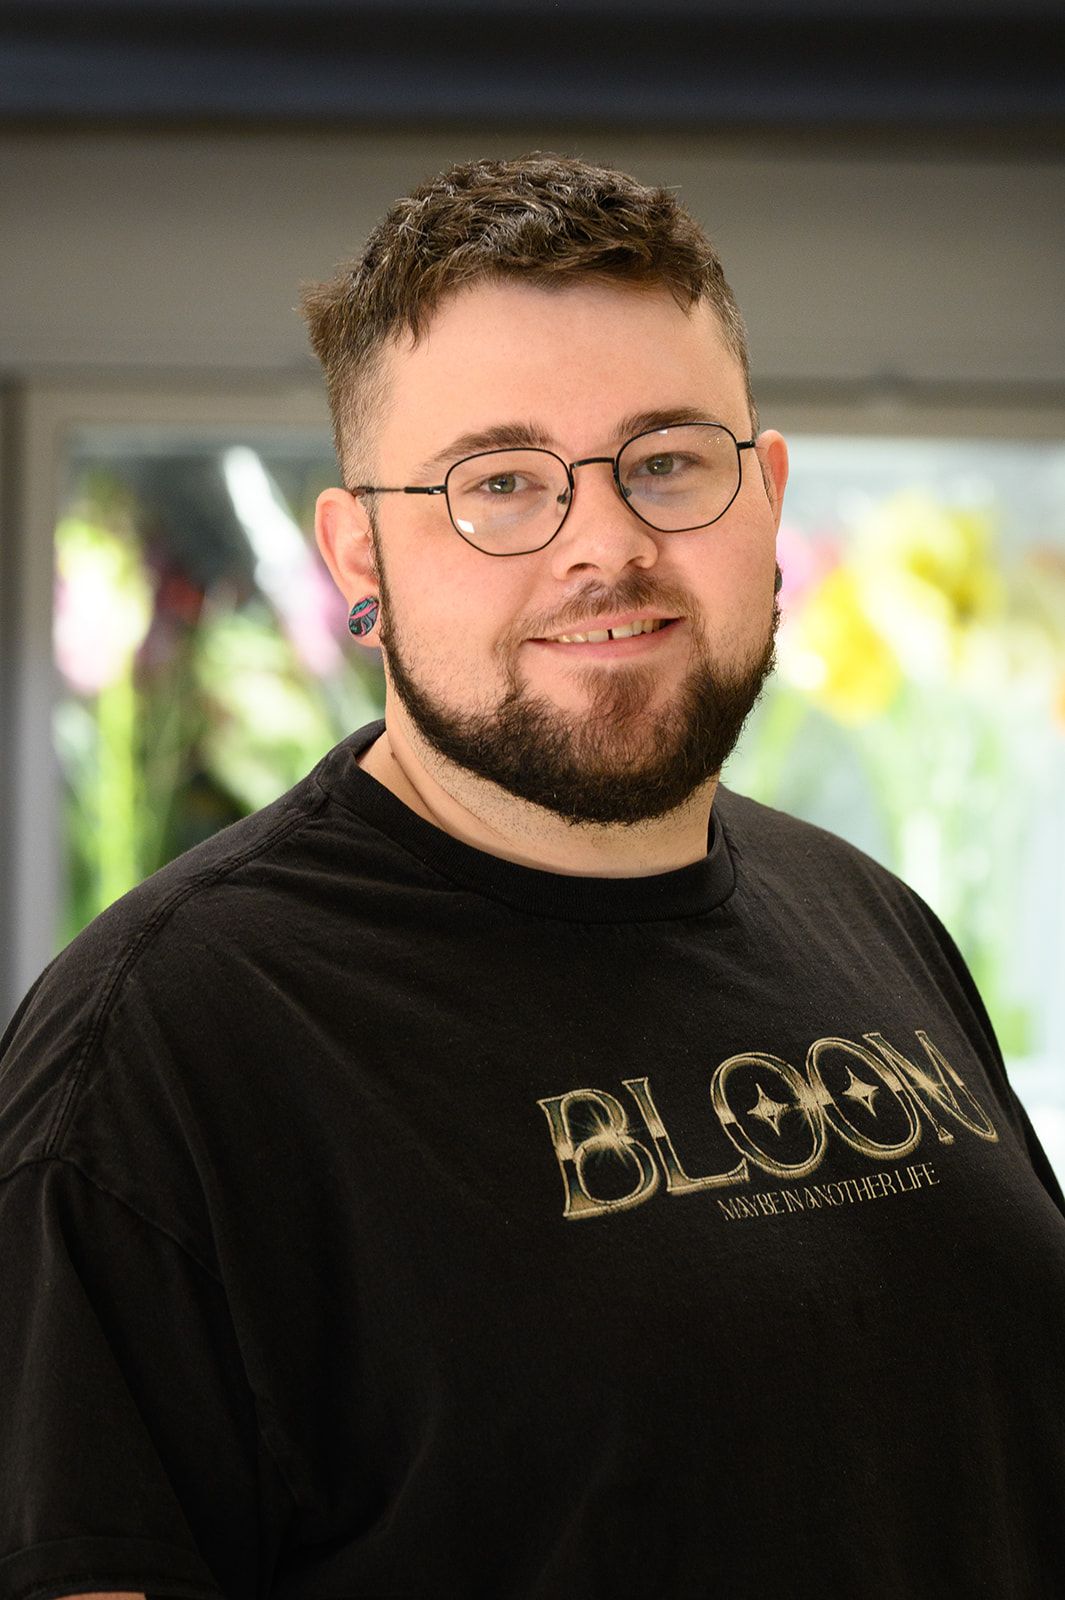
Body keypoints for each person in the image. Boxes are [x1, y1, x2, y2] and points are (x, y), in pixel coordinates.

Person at [1, 152, 1063, 1600]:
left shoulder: (862, 911)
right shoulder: (163, 1052)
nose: (605, 545)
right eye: (498, 483)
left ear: (764, 497)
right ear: (356, 549)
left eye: (667, 462)